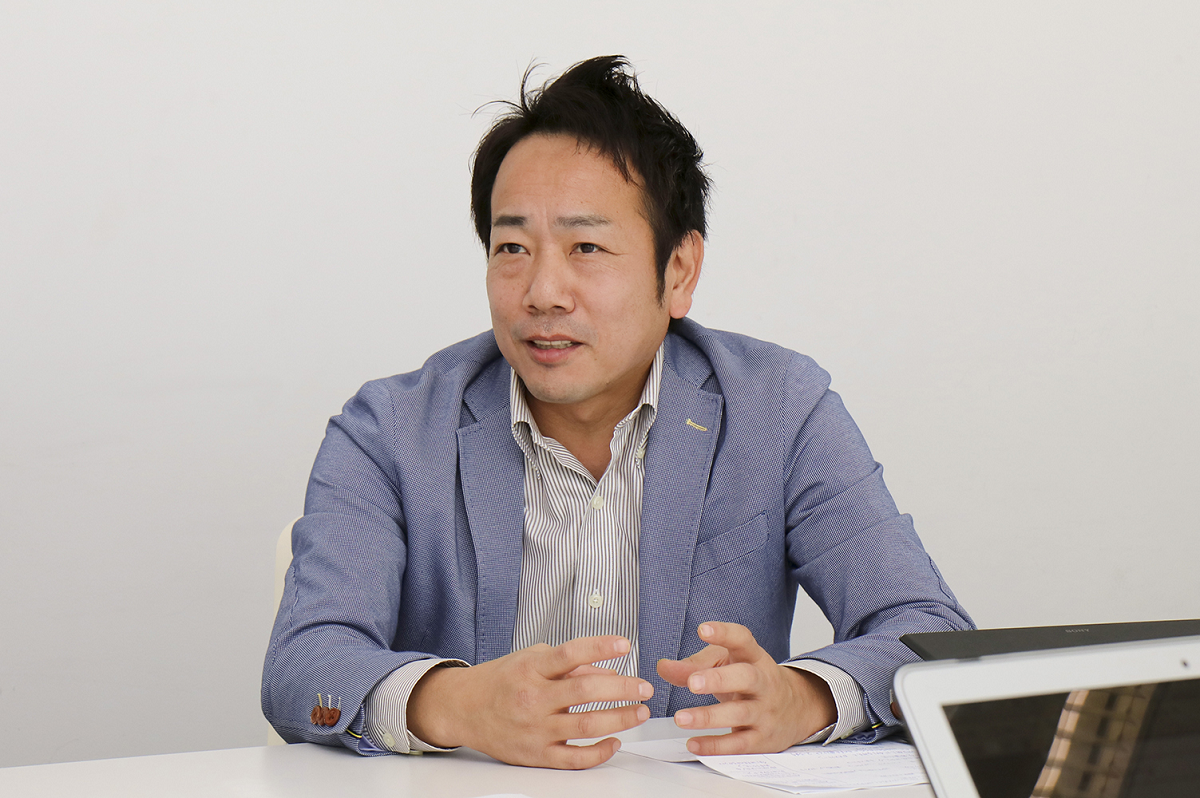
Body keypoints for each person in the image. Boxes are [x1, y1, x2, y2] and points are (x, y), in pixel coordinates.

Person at [262, 55, 973, 770]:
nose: (543, 291)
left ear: (679, 271)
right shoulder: (389, 430)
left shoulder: (779, 410)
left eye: (586, 246)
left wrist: (806, 698)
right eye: (512, 247)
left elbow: (930, 633)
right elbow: (304, 665)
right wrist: (456, 704)